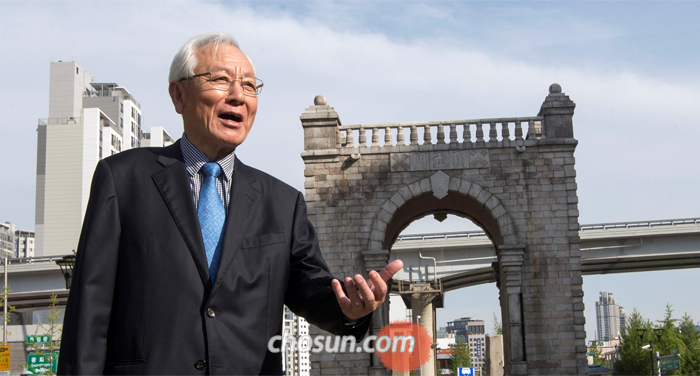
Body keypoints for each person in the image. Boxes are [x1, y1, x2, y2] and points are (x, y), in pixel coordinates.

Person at [57, 32, 402, 375]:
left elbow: (313, 293)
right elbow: (89, 313)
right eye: (220, 80)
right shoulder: (123, 179)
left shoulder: (282, 203)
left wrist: (352, 308)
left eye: (250, 86)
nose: (238, 96)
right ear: (179, 95)